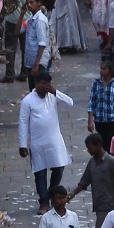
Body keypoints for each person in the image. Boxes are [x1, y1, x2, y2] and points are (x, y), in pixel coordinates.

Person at [18, 72, 74, 209]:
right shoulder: (27, 101)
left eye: (48, 83)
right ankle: (44, 201)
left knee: (59, 168)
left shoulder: (53, 96)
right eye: (43, 84)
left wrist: (55, 92)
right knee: (40, 173)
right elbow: (23, 123)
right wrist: (23, 145)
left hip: (54, 140)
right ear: (36, 84)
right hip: (38, 143)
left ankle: (51, 193)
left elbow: (70, 103)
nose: (46, 87)